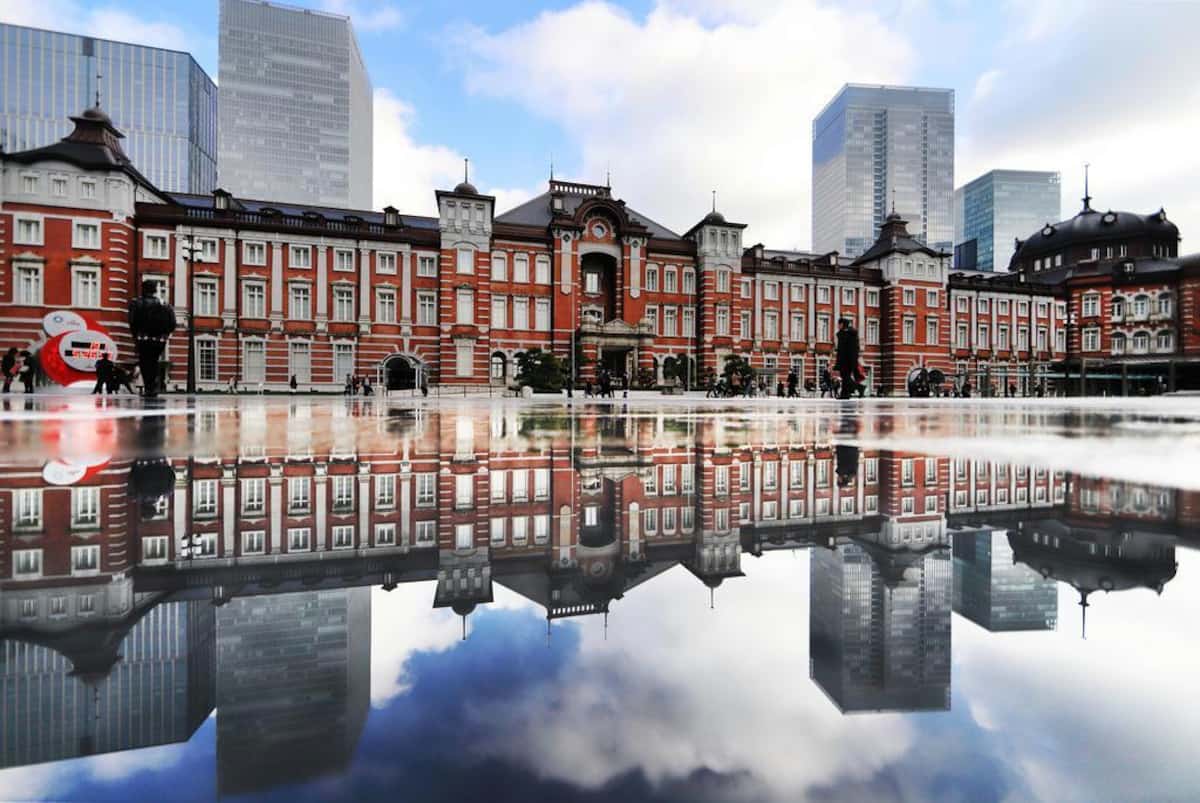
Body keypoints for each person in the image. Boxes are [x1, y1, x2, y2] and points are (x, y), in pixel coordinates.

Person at [127, 279, 177, 399]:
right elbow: (173, 323)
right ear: (155, 290)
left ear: (143, 289)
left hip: (143, 338)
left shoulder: (136, 303)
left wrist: (135, 335)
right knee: (154, 362)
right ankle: (154, 387)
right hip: (159, 340)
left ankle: (149, 388)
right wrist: (165, 334)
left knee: (145, 363)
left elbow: (132, 321)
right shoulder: (165, 304)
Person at [834, 318, 860, 399]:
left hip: (846, 360)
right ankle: (845, 394)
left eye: (839, 324)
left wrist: (852, 361)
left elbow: (847, 349)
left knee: (845, 377)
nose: (838, 325)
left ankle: (859, 387)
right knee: (845, 376)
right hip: (846, 359)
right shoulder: (845, 334)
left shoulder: (848, 334)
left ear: (843, 324)